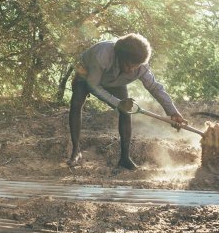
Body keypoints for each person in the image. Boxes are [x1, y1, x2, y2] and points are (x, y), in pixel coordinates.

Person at [68, 33, 188, 170]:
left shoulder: (141, 66)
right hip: (87, 75)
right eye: (129, 65)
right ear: (119, 56)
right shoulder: (101, 56)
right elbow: (93, 86)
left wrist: (173, 112)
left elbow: (155, 88)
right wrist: (117, 103)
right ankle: (75, 151)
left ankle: (125, 158)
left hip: (115, 81)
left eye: (136, 66)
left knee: (126, 111)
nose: (132, 70)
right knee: (76, 104)